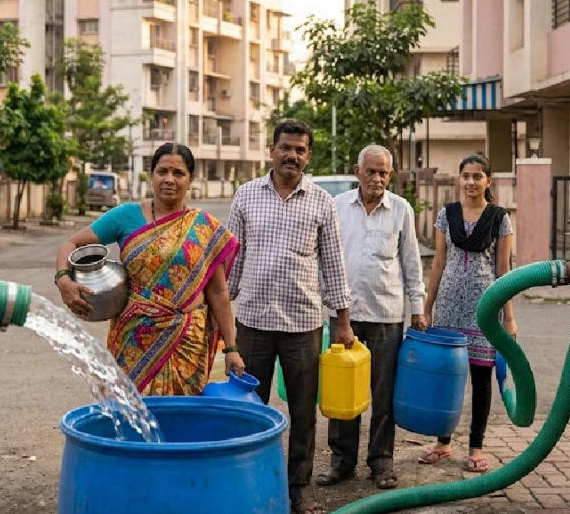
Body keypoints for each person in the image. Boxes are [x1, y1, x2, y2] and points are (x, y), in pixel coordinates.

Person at [227, 119, 354, 514]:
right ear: (272, 149)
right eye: (286, 147)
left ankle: (298, 489)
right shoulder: (246, 195)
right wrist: (219, 320)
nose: (292, 155)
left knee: (302, 414)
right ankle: (248, 485)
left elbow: (333, 265)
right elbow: (231, 263)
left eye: (300, 150)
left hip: (303, 326)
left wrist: (343, 321)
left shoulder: (322, 202)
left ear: (308, 156)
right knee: (249, 409)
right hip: (252, 323)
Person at [55, 143, 246, 396]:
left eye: (178, 173)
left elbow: (218, 293)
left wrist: (231, 348)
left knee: (183, 415)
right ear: (151, 175)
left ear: (190, 180)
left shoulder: (203, 227)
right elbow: (70, 244)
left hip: (187, 344)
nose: (169, 179)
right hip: (134, 339)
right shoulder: (126, 216)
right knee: (132, 411)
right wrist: (63, 280)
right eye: (162, 171)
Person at [316, 145, 426, 491]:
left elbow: (411, 262)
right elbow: (323, 257)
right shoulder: (337, 207)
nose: (377, 178)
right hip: (343, 315)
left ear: (390, 176)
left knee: (383, 393)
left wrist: (418, 307)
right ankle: (342, 462)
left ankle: (381, 462)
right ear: (357, 171)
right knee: (342, 391)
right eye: (371, 171)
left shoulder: (401, 210)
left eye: (383, 173)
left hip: (385, 314)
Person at [416, 153, 515, 473]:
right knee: (448, 377)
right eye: (466, 176)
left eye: (477, 176)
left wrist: (509, 316)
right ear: (460, 179)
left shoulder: (500, 218)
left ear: (488, 181)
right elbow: (438, 264)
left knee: (481, 379)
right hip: (448, 308)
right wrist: (427, 308)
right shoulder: (447, 215)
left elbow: (504, 271)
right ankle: (443, 443)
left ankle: (476, 446)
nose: (471, 182)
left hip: (484, 309)